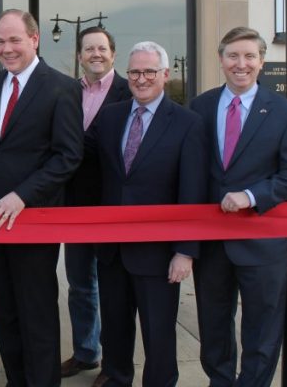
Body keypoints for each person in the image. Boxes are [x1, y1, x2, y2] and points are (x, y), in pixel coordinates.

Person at [190, 26, 287, 387]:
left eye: (248, 57)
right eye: (232, 56)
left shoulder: (286, 112)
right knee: (213, 328)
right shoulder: (200, 106)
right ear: (221, 60)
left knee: (261, 332)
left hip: (263, 245)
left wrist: (252, 195)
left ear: (261, 62)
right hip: (212, 244)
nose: (240, 64)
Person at [87, 41, 207, 387]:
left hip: (158, 254)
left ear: (166, 75)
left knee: (158, 335)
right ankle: (118, 378)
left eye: (149, 72)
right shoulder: (109, 117)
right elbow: (88, 168)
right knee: (114, 328)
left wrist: (185, 250)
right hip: (112, 250)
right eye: (135, 72)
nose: (141, 79)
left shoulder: (187, 123)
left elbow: (192, 190)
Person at [0, 9, 83, 387]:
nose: (7, 49)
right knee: (3, 311)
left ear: (34, 39)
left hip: (33, 221)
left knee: (36, 312)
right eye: (1, 41)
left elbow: (68, 156)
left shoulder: (62, 87)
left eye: (14, 40)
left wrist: (22, 196)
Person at [62, 26, 131, 382]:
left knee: (112, 288)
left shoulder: (128, 91)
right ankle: (86, 352)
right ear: (79, 56)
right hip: (74, 205)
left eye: (102, 48)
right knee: (79, 285)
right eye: (88, 49)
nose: (95, 55)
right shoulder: (68, 92)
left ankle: (114, 363)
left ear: (113, 54)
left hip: (111, 206)